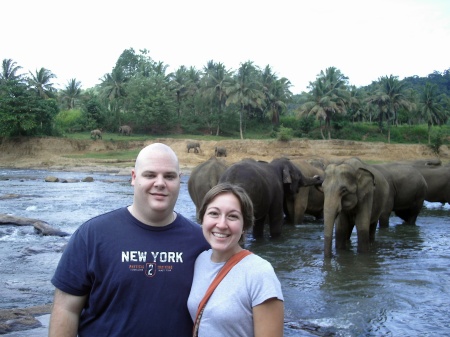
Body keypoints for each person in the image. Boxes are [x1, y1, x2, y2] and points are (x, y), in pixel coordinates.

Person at [49, 143, 210, 337]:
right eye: (150, 175)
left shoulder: (201, 241)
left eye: (169, 176)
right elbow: (66, 310)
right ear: (133, 177)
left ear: (179, 180)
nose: (160, 183)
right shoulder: (92, 235)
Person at [187, 183, 284, 337]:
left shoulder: (260, 273)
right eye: (214, 213)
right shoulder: (200, 260)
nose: (222, 224)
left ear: (244, 225)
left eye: (232, 216)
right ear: (202, 218)